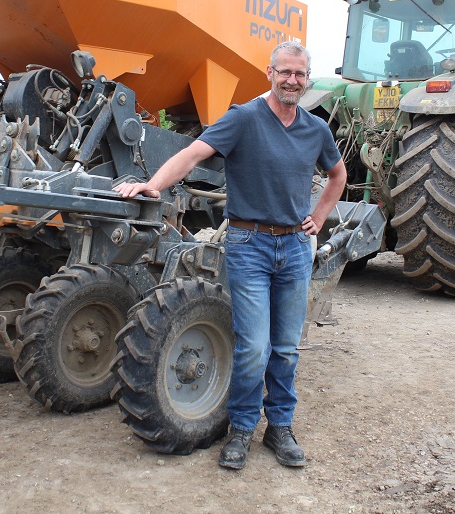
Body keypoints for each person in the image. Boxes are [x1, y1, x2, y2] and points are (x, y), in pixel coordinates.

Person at [117, 41, 347, 469]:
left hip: (295, 248)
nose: (292, 80)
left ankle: (279, 428)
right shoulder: (244, 118)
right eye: (285, 72)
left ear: (307, 78)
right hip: (249, 246)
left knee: (285, 349)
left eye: (300, 74)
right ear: (270, 73)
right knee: (252, 349)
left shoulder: (315, 129)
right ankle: (242, 429)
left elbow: (338, 174)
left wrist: (319, 215)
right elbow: (192, 153)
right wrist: (154, 185)